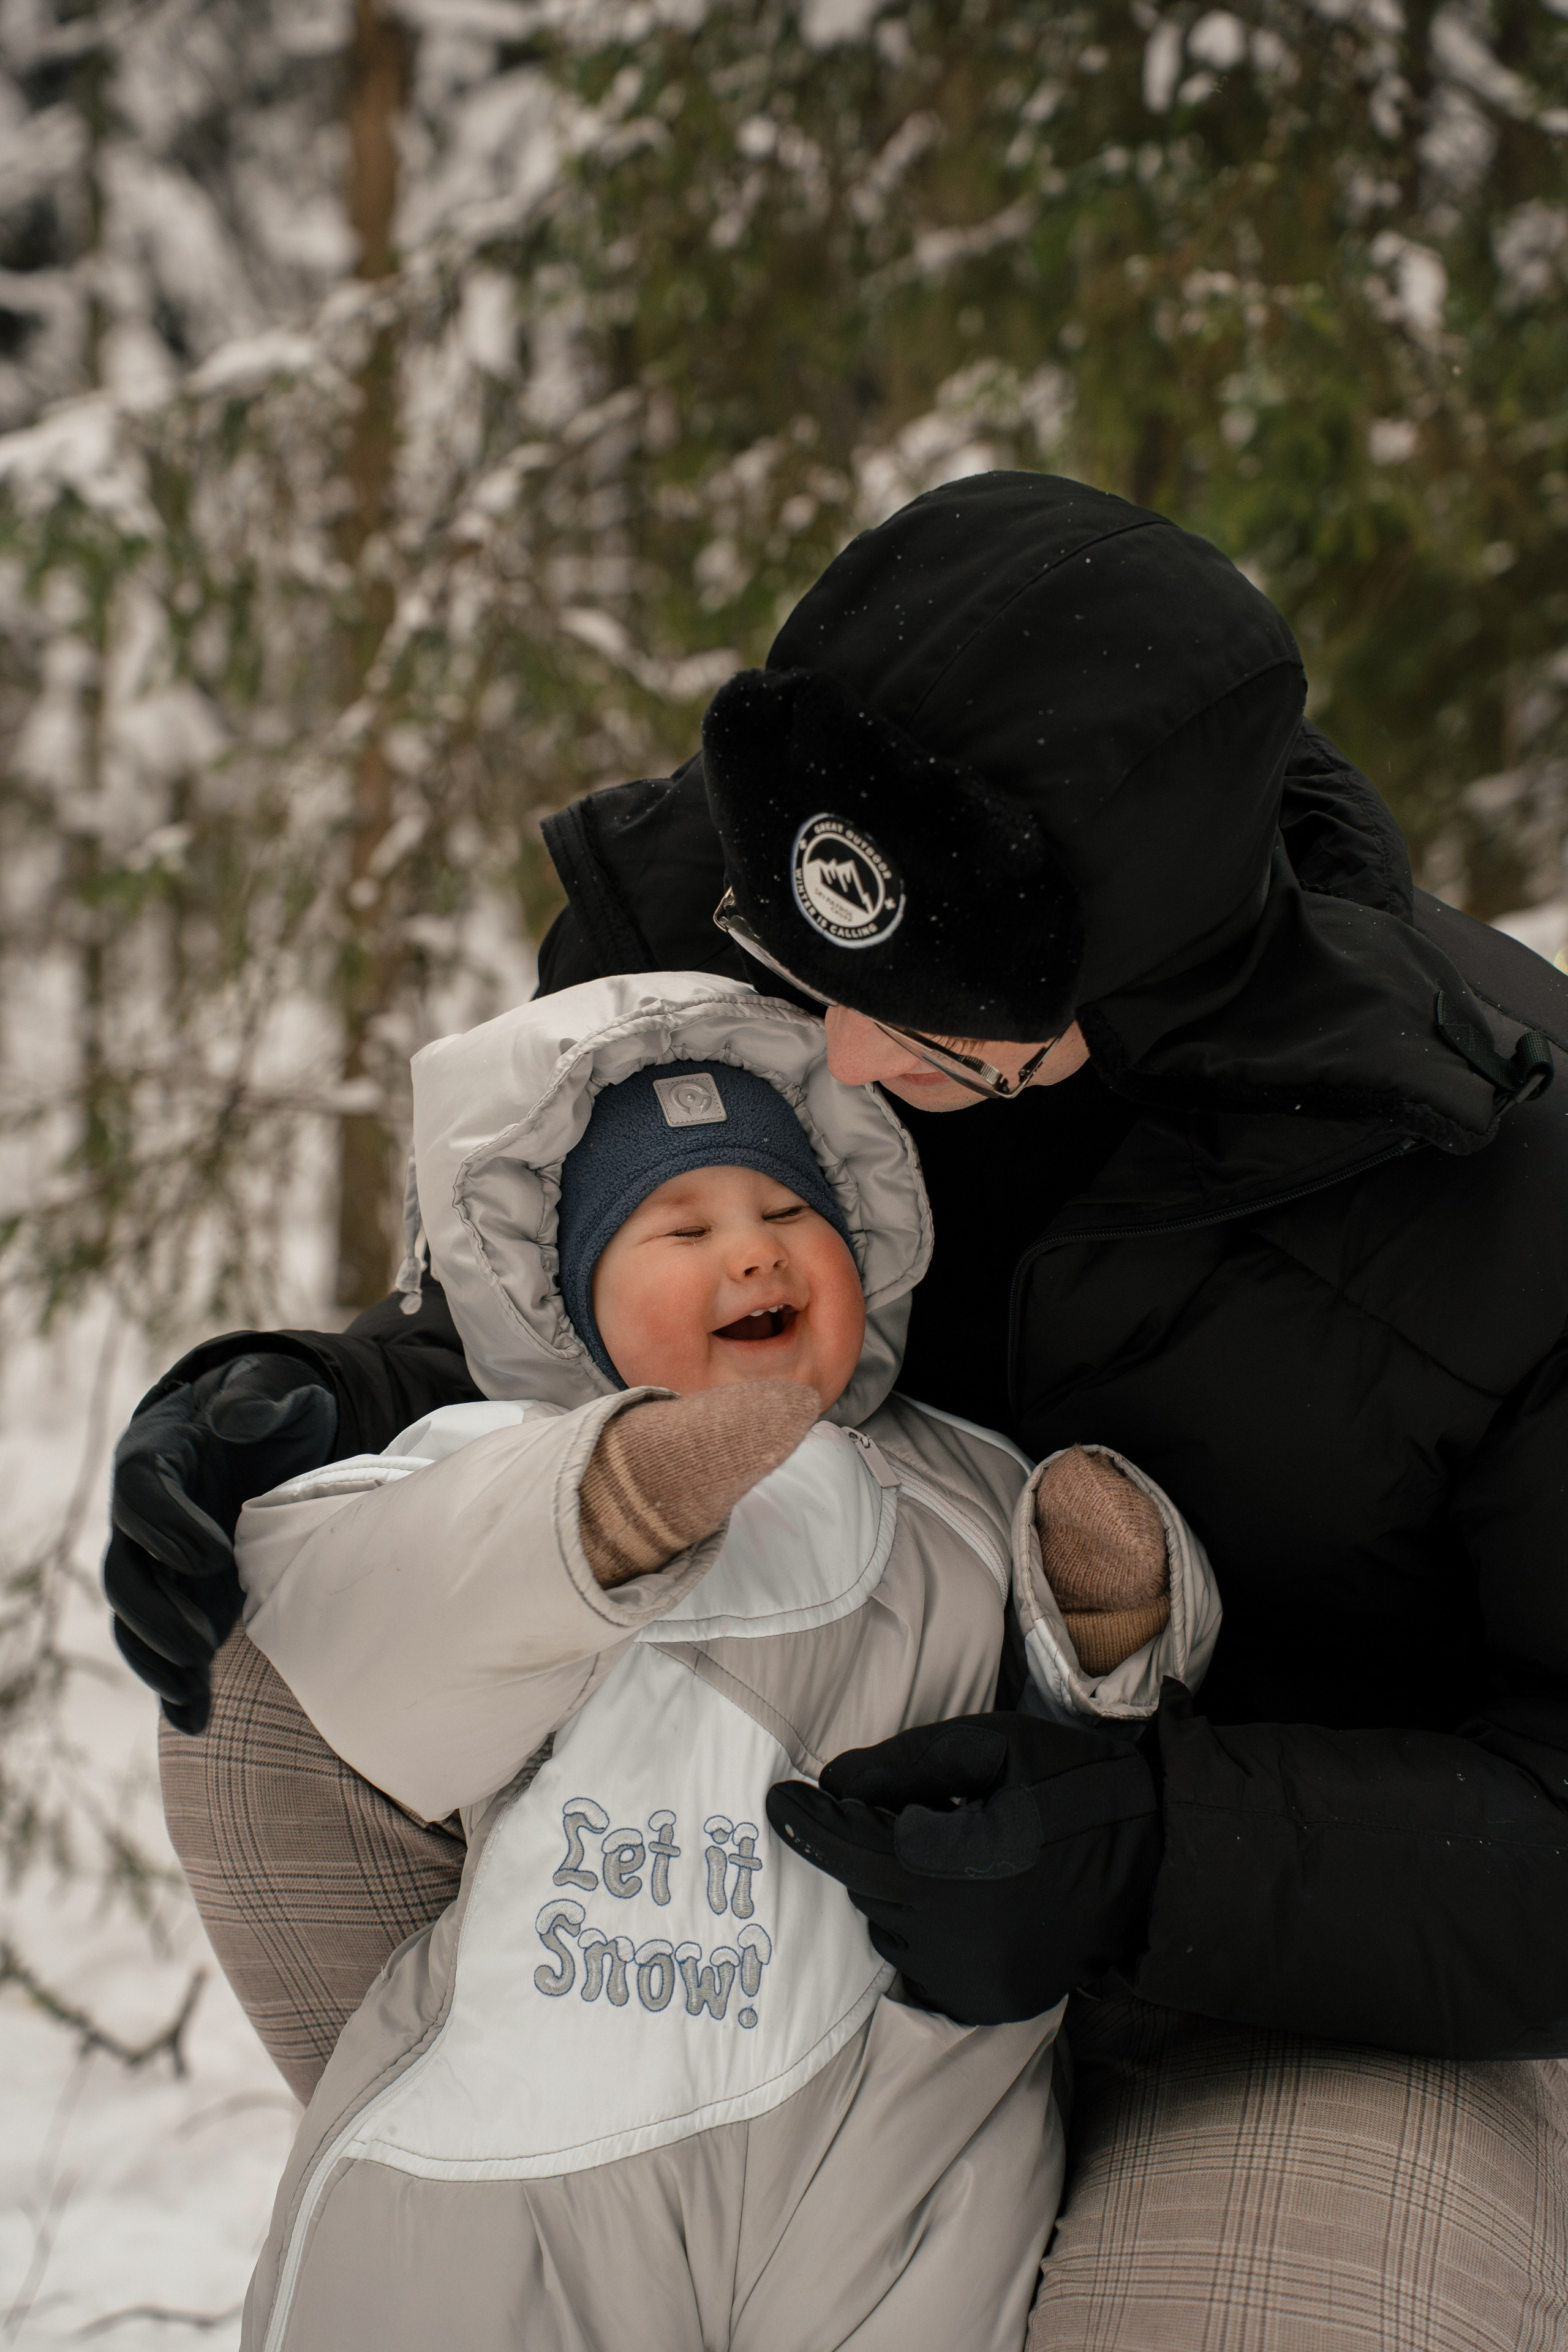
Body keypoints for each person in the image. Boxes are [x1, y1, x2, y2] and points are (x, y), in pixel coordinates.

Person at [111, 473, 1568, 2348]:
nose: (844, 1062)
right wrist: (307, 1401)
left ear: (1137, 981)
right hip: (758, 1895)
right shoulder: (753, 934)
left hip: (1285, 1976)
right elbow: (570, 1325)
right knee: (256, 1658)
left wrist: (1154, 1856)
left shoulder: (1510, 1178)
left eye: (936, 1034)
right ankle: (563, 2235)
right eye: (809, 980)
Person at [234, 973, 1211, 2352]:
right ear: (570, 1298)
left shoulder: (962, 1481)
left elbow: (1086, 1737)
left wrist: (1104, 1616)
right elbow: (366, 1626)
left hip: (886, 2122)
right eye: (682, 1226)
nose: (752, 1255)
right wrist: (599, 1508)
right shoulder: (493, 1466)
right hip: (539, 2112)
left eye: (791, 1214)